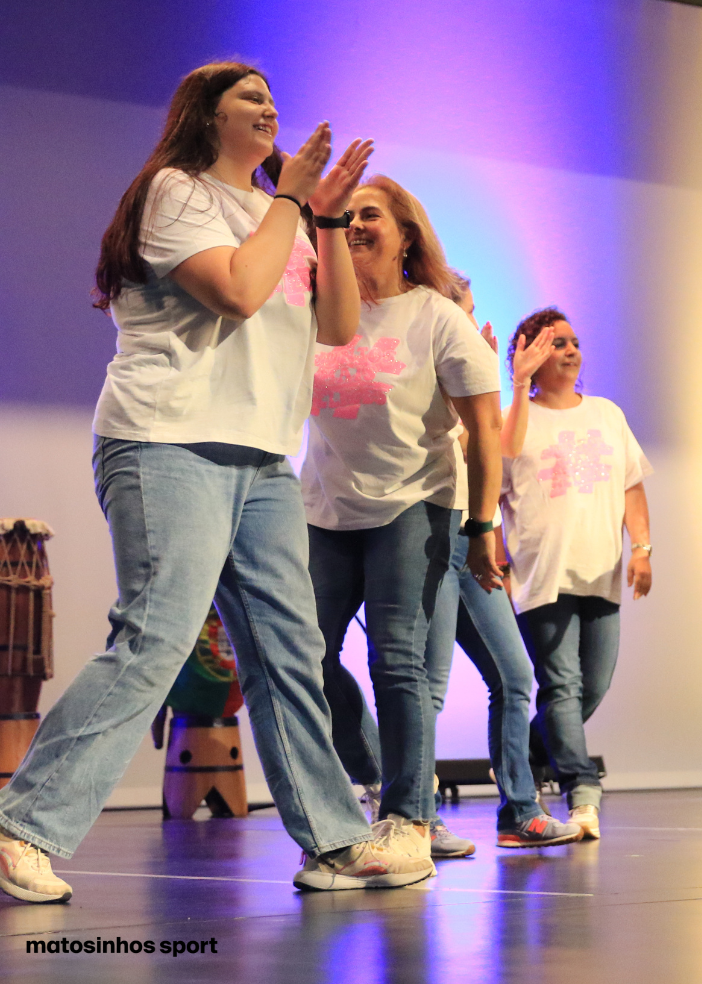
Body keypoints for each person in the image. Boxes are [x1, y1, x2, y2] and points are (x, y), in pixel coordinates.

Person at [0, 62, 435, 904]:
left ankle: (333, 840)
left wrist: (325, 216)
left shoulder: (287, 218)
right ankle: (24, 822)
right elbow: (236, 291)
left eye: (273, 98)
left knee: (290, 652)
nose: (269, 108)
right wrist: (291, 201)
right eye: (249, 98)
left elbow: (339, 325)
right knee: (156, 637)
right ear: (206, 115)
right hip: (167, 439)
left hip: (262, 457)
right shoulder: (176, 191)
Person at [299, 175, 574, 857]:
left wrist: (481, 529)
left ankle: (410, 819)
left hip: (415, 506)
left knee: (401, 664)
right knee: (304, 655)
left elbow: (485, 432)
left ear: (407, 236)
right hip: (326, 507)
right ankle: (379, 781)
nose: (354, 225)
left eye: (370, 214)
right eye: (345, 215)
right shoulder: (311, 311)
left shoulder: (436, 316)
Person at [421, 279, 583, 849]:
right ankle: (416, 818)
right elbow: (475, 443)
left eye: (472, 313)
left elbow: (503, 446)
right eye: (464, 313)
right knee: (427, 686)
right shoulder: (422, 365)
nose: (472, 324)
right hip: (431, 537)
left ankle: (519, 812)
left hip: (472, 542)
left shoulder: (467, 368)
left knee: (515, 677)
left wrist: (508, 382)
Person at [500, 308, 654, 840]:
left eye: (573, 342)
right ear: (528, 354)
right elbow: (492, 487)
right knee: (561, 686)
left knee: (592, 685)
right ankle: (582, 792)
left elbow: (632, 486)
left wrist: (642, 548)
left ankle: (518, 757)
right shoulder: (516, 417)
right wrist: (497, 560)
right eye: (555, 343)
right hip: (542, 570)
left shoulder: (607, 414)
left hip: (601, 570)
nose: (569, 351)